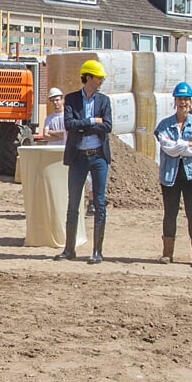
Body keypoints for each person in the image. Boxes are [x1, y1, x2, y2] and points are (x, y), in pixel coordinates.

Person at [61, 59, 113, 263]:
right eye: (98, 78)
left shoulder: (104, 101)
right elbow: (69, 124)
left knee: (99, 203)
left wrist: (82, 126)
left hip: (98, 156)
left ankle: (97, 251)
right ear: (88, 78)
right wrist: (92, 121)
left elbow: (107, 126)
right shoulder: (72, 99)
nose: (101, 81)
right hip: (78, 157)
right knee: (73, 202)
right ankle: (69, 249)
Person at [156, 81, 192, 268]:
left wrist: (179, 145)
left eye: (186, 99)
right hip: (171, 175)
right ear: (175, 101)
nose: (183, 103)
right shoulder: (164, 125)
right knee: (170, 214)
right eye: (180, 99)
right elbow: (167, 148)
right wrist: (188, 144)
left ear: (191, 102)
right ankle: (167, 253)